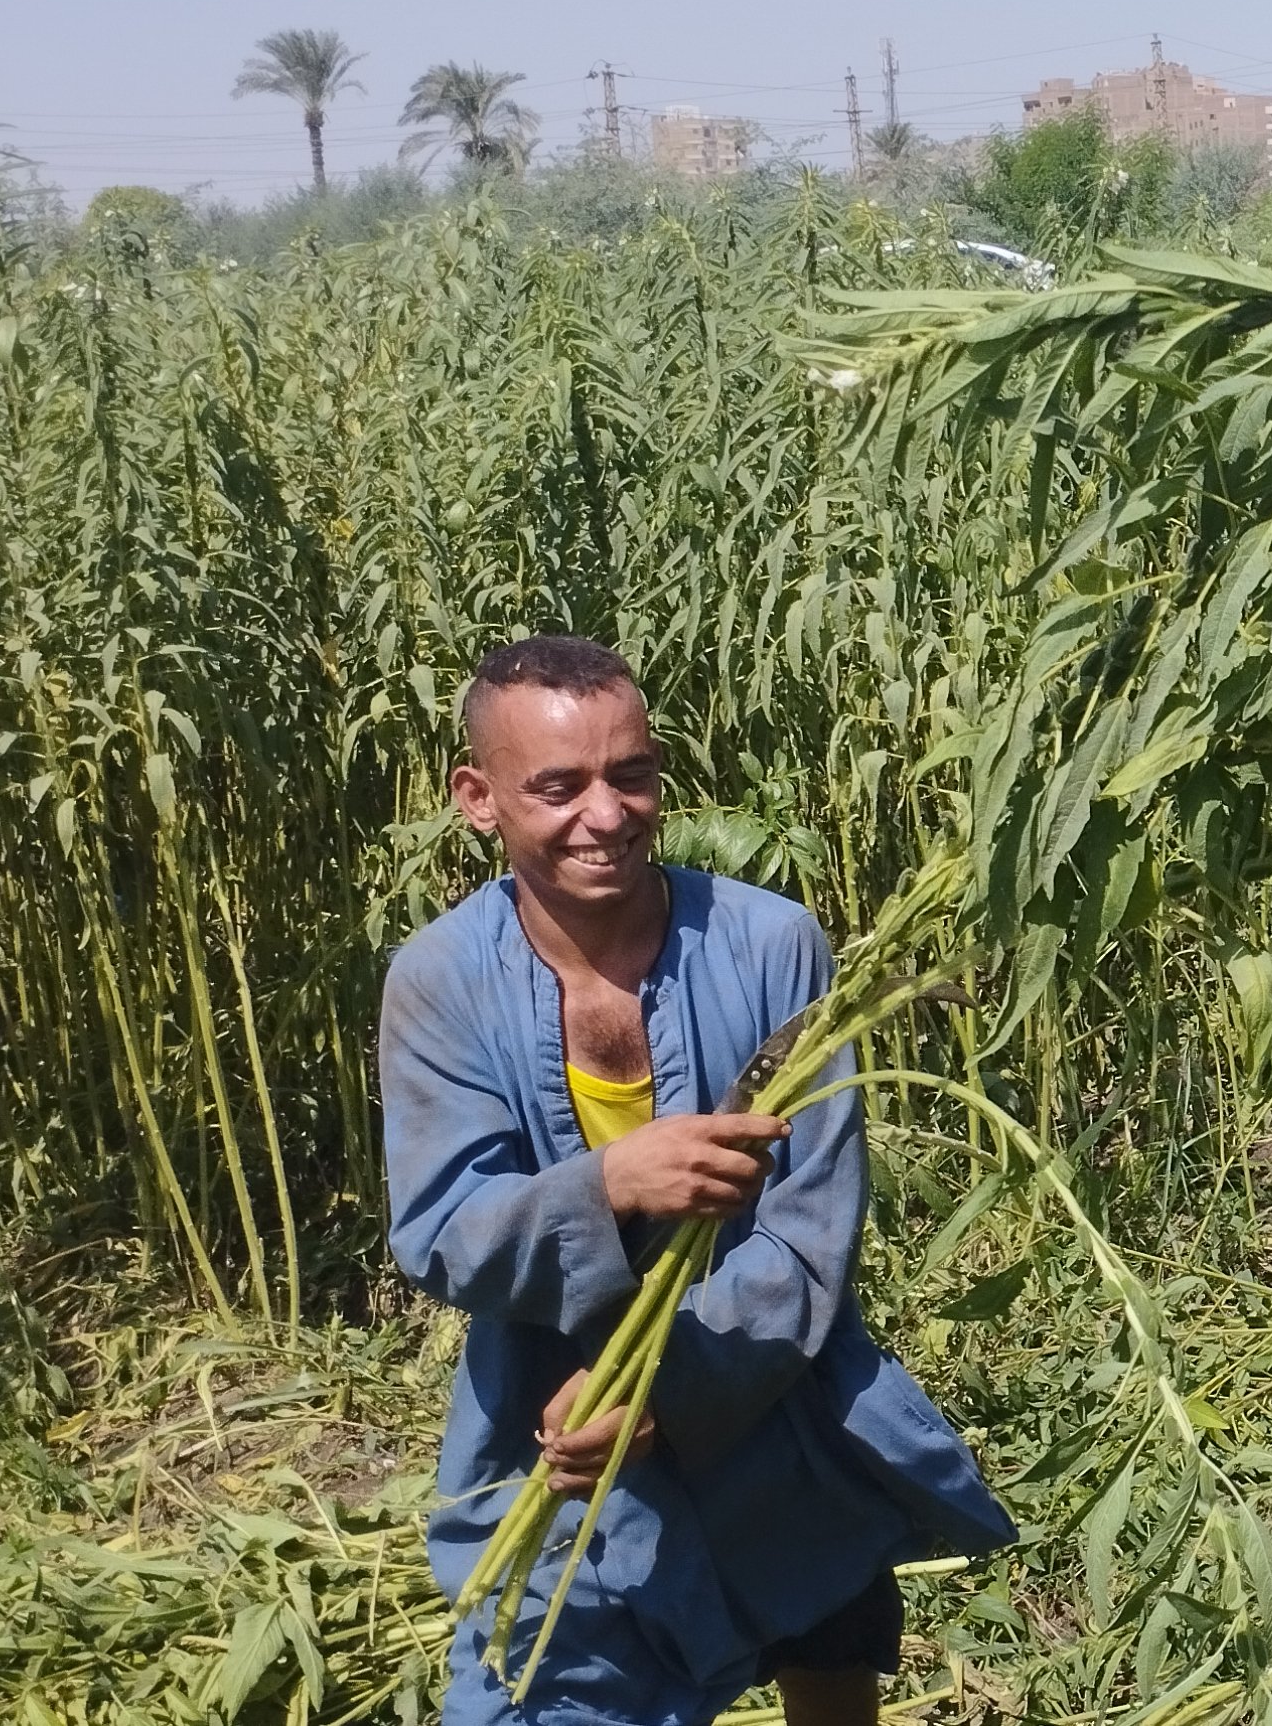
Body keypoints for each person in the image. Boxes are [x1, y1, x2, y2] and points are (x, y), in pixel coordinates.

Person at [382, 634, 1014, 1726]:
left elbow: (810, 1234)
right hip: (557, 1429)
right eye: (560, 785)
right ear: (477, 798)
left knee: (825, 1644)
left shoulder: (772, 945)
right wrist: (612, 1184)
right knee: (542, 1688)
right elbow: (445, 1231)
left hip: (768, 1387)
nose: (608, 812)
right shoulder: (438, 982)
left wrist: (662, 1389)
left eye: (632, 775)